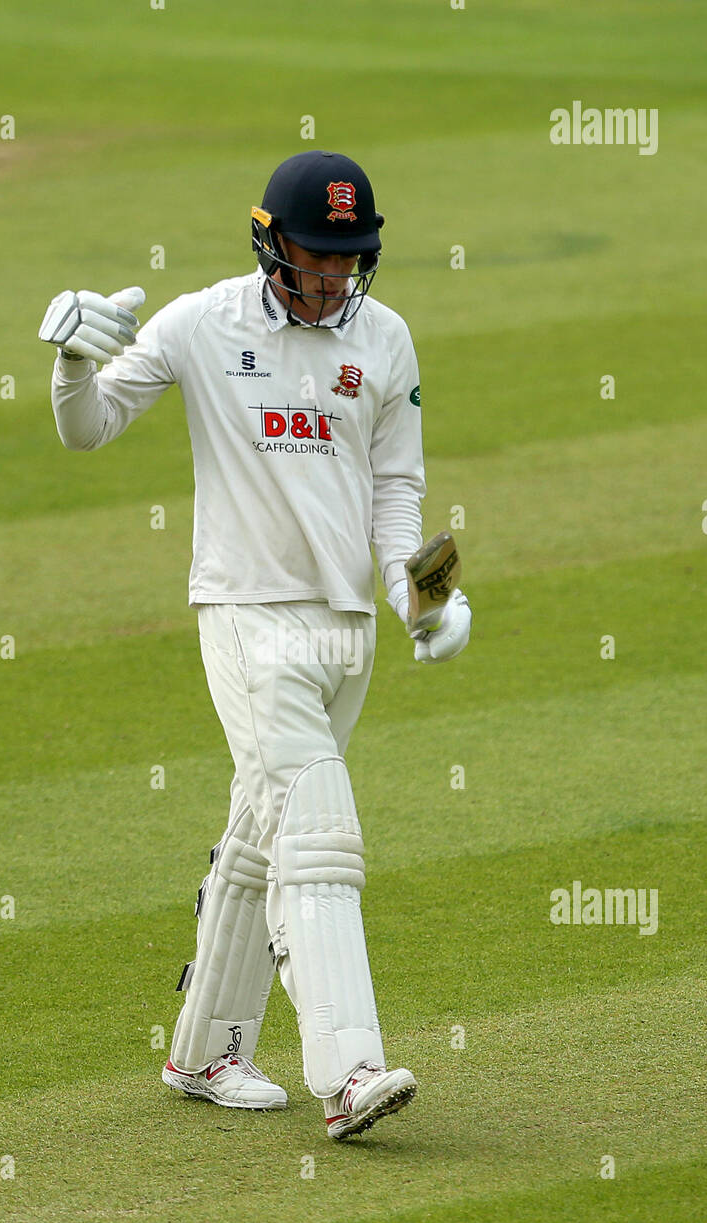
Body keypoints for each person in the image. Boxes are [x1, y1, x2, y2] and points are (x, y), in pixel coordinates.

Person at [39, 150, 471, 1139]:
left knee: (258, 830)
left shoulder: (387, 339)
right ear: (270, 244)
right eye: (315, 260)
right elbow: (89, 425)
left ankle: (205, 1050)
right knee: (317, 828)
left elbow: (397, 487)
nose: (331, 281)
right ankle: (349, 1068)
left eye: (348, 261)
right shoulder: (201, 324)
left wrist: (422, 600)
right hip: (245, 616)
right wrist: (70, 359)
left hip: (345, 627)